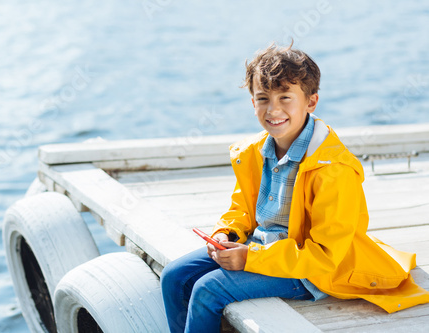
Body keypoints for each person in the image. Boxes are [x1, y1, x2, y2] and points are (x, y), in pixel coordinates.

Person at [160, 42, 429, 333]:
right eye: (263, 98)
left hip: (309, 269)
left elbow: (325, 256)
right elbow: (242, 209)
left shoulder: (333, 170)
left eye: (285, 97)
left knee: (208, 290)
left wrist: (250, 258)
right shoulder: (254, 151)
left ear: (311, 102)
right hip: (260, 246)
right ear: (253, 103)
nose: (273, 110)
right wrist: (227, 233)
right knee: (174, 276)